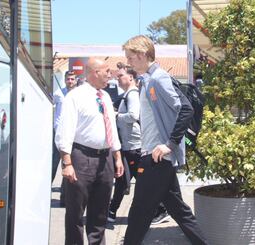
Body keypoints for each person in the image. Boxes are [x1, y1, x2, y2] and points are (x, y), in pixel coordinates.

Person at [122, 35, 208, 245]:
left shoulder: (158, 78)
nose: (128, 62)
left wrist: (169, 144)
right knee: (180, 212)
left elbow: (185, 109)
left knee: (139, 214)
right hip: (155, 158)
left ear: (142, 55)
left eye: (130, 57)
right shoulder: (147, 80)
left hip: (155, 158)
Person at [55, 57, 124, 245]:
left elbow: (112, 130)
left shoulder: (106, 97)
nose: (110, 74)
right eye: (107, 71)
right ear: (95, 72)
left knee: (100, 212)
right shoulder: (75, 97)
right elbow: (65, 132)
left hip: (105, 160)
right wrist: (67, 163)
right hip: (81, 158)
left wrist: (117, 157)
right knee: (75, 214)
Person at [107, 62, 141, 223]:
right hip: (128, 147)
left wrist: (116, 116)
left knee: (126, 181)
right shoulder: (127, 94)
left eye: (120, 75)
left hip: (133, 147)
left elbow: (134, 115)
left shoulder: (132, 94)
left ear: (131, 77)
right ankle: (112, 211)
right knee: (122, 180)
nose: (117, 78)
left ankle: (160, 209)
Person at [52, 70, 78, 206]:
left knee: (67, 164)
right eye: (68, 79)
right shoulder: (58, 93)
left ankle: (65, 197)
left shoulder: (78, 95)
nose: (70, 81)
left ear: (76, 80)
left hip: (72, 134)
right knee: (53, 164)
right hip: (57, 133)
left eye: (72, 79)